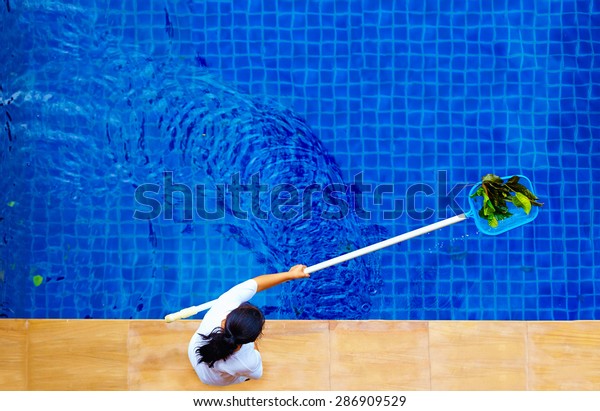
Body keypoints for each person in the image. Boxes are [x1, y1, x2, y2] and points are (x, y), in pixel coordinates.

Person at [188, 264, 309, 386]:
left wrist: (290, 274)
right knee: (247, 377)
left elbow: (256, 284)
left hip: (194, 353)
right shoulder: (248, 361)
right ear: (254, 339)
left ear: (225, 320)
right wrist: (253, 345)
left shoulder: (222, 306)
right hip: (212, 380)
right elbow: (257, 374)